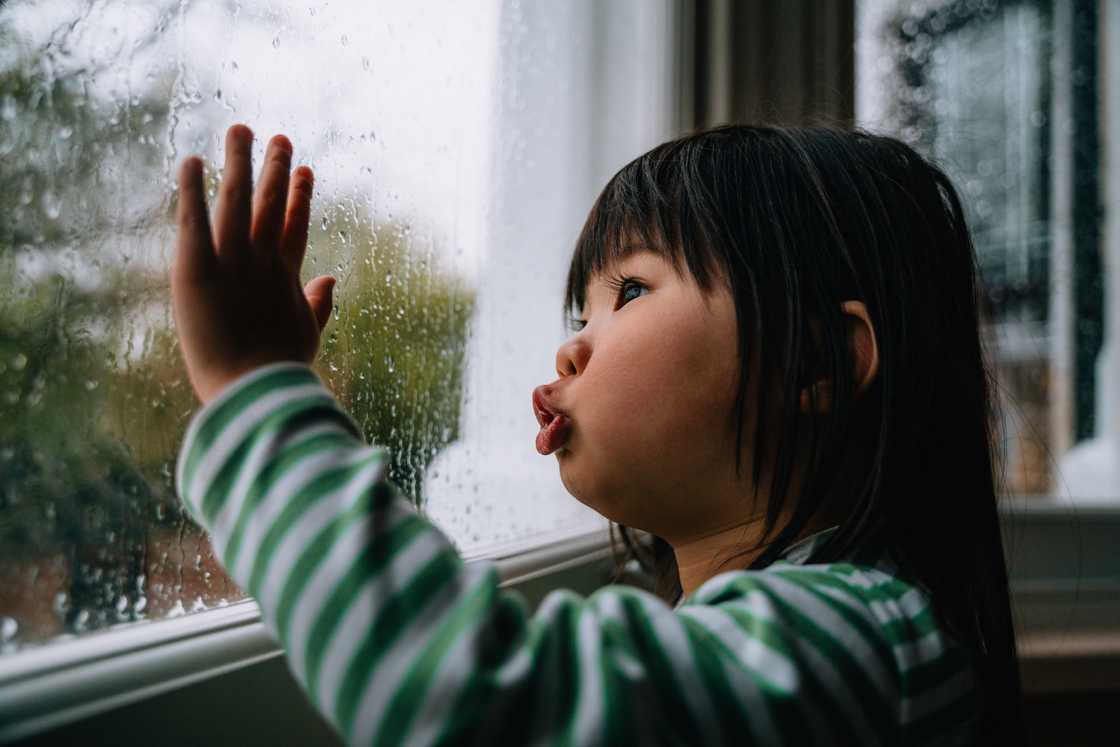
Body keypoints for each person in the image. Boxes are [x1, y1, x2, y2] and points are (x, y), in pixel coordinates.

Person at [171, 122, 1025, 745]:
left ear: (815, 367)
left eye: (633, 293)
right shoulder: (829, 626)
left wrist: (256, 392)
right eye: (584, 308)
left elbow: (489, 703)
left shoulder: (856, 637)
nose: (572, 344)